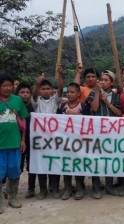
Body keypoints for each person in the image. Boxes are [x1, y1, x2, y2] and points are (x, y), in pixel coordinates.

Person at [32, 67, 64, 199]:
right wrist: (37, 83)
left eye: (48, 88)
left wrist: (60, 76)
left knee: (54, 162)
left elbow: (61, 88)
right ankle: (43, 189)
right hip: (40, 139)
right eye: (43, 89)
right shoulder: (36, 101)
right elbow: (33, 94)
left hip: (54, 139)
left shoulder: (55, 100)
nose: (46, 91)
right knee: (41, 163)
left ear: (52, 90)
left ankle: (55, 188)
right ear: (39, 90)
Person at [90, 70, 122, 199]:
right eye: (101, 80)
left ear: (111, 83)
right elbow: (94, 108)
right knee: (96, 159)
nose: (103, 82)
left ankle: (109, 186)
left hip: (111, 133)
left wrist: (107, 102)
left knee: (110, 159)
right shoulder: (93, 93)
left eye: (106, 80)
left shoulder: (115, 97)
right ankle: (96, 187)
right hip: (96, 132)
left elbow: (119, 112)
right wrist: (98, 93)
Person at [0, 74, 28, 214]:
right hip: (0, 146)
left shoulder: (17, 100)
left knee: (14, 171)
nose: (7, 88)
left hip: (14, 144)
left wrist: (23, 140)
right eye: (4, 85)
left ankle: (13, 197)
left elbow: (23, 122)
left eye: (9, 85)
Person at [57, 82, 87, 200]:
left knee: (79, 163)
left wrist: (75, 116)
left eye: (72, 92)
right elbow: (56, 122)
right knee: (67, 163)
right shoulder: (62, 106)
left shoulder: (84, 106)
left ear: (78, 93)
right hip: (65, 141)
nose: (69, 94)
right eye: (67, 92)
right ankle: (68, 188)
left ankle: (80, 187)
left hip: (80, 141)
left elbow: (89, 122)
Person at [16, 83, 35, 199]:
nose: (25, 95)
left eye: (27, 92)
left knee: (32, 165)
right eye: (22, 92)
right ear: (17, 94)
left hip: (32, 140)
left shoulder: (33, 107)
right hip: (16, 141)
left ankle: (31, 188)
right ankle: (13, 189)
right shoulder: (14, 107)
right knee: (17, 165)